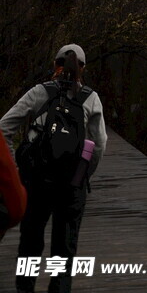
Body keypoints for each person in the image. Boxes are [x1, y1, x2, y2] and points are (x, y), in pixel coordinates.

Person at [0, 44, 107, 293]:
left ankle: (25, 288)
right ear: (83, 68)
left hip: (36, 183)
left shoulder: (39, 92)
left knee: (30, 244)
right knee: (64, 251)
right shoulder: (90, 98)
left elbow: (3, 127)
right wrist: (83, 174)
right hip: (71, 186)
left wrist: (17, 171)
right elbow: (100, 144)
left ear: (55, 64)